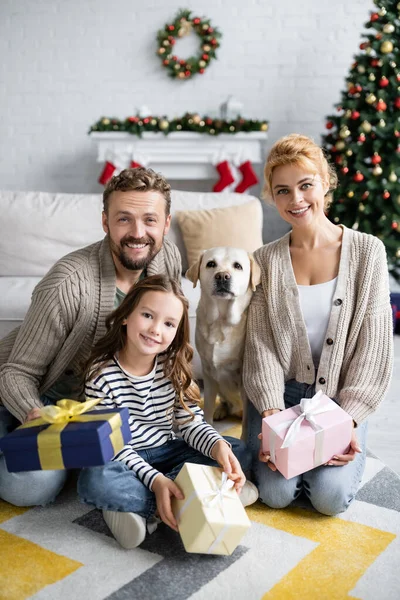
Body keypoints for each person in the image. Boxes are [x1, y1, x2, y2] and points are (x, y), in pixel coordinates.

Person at [0, 167, 182, 507]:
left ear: (166, 224)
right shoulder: (68, 283)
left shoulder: (166, 257)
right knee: (30, 488)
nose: (138, 233)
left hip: (99, 405)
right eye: (124, 219)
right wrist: (38, 417)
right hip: (40, 395)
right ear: (105, 222)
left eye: (150, 220)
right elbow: (16, 372)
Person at [243, 134, 393, 516]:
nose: (296, 200)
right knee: (276, 494)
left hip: (340, 399)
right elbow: (260, 348)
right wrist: (271, 415)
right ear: (272, 198)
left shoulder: (368, 251)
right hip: (282, 397)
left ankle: (325, 459)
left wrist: (350, 420)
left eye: (305, 185)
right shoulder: (265, 260)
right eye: (282, 191)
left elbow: (373, 348)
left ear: (325, 183)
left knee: (327, 498)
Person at [77, 275, 257, 549]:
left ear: (176, 331)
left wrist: (217, 446)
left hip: (169, 449)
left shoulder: (174, 365)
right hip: (125, 457)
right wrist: (156, 480)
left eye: (169, 323)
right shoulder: (101, 375)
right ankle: (188, 501)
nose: (155, 329)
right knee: (94, 478)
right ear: (126, 315)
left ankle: (143, 506)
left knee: (236, 450)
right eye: (148, 315)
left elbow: (189, 423)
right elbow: (114, 446)